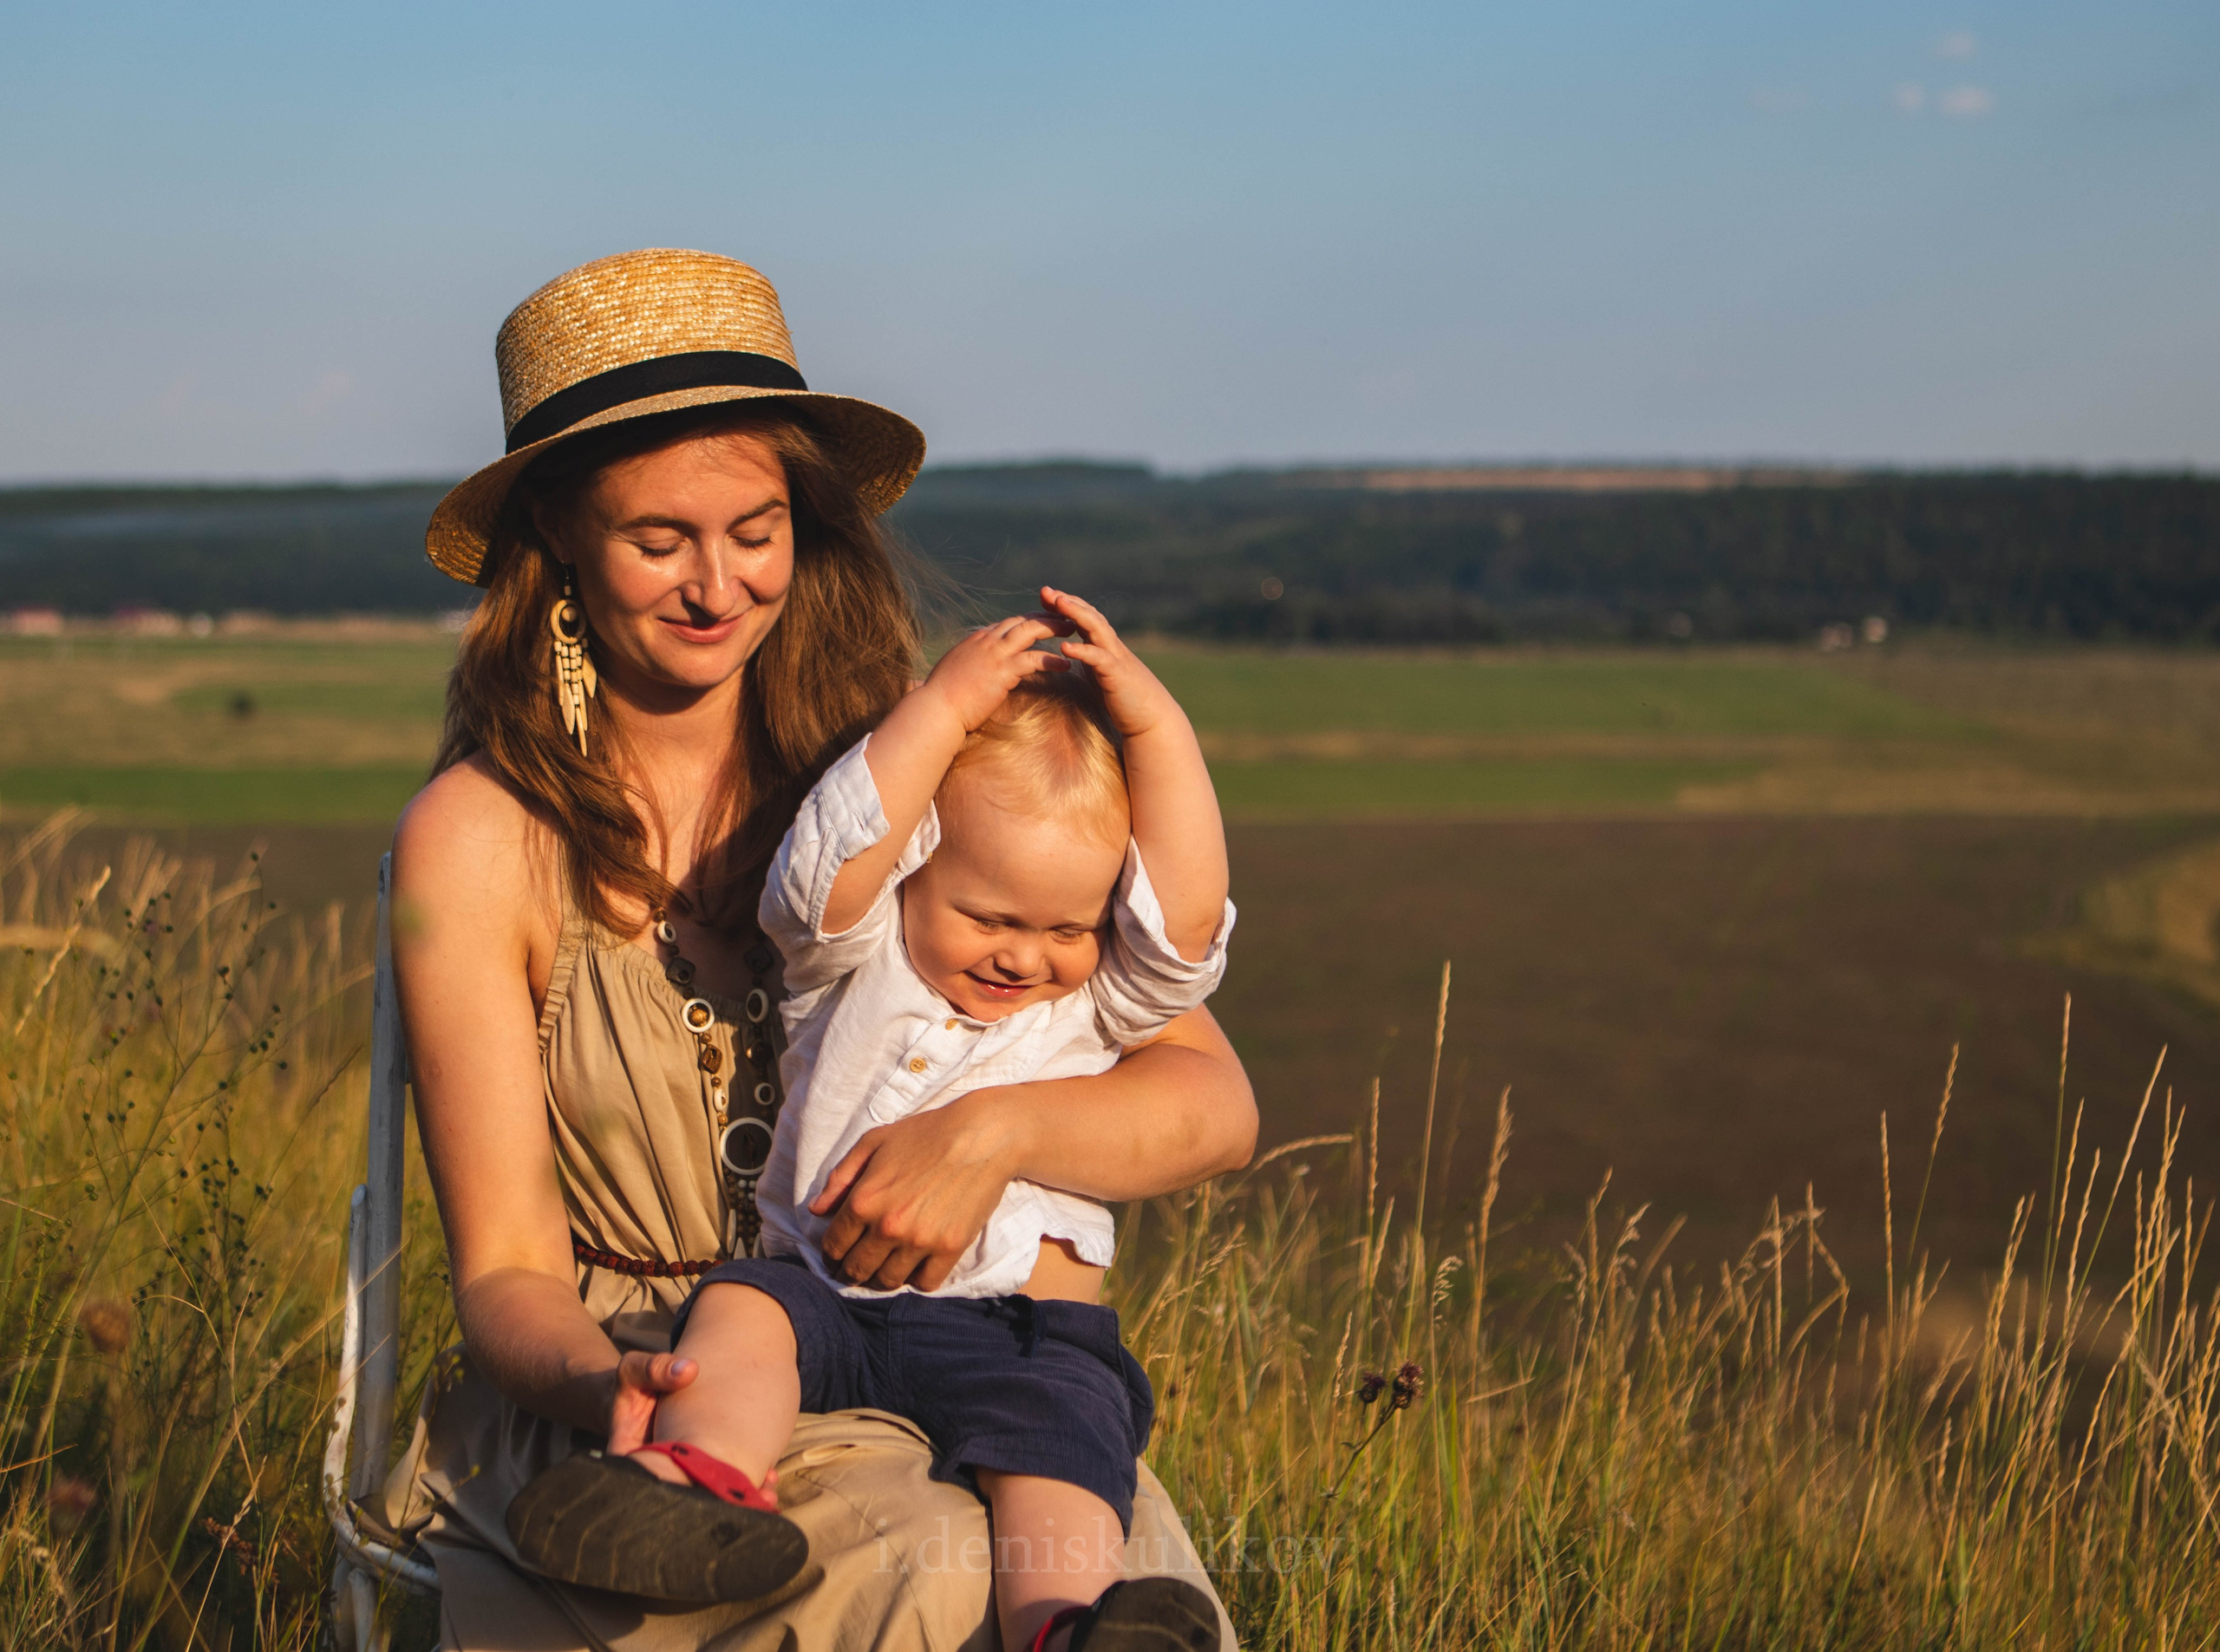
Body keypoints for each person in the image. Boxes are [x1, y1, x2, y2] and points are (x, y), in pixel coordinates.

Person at [383, 249, 1256, 1652]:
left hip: (944, 1341)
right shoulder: (480, 842)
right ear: (555, 531)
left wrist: (992, 1131)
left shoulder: (909, 772)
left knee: (1095, 1560)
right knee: (941, 1561)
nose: (719, 584)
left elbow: (1211, 1100)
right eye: (660, 540)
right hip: (648, 1386)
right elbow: (502, 1279)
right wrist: (617, 1386)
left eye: (757, 527)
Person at [507, 591, 1232, 1652]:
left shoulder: (1103, 998)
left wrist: (1157, 729)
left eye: (1064, 928)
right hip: (825, 1298)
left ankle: (1069, 1629)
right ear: (915, 868)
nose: (1023, 956)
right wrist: (940, 708)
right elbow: (817, 873)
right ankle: (689, 1490)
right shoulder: (853, 954)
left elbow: (1186, 930)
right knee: (739, 1320)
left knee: (1065, 1453)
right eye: (987, 916)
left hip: (1018, 1331)